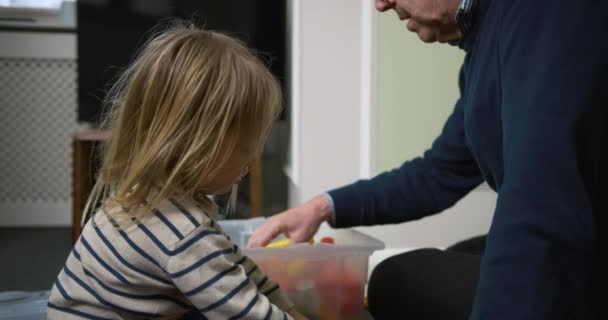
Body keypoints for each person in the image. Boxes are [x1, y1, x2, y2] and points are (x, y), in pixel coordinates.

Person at [248, 0, 607, 319]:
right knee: (459, 254)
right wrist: (321, 208)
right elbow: (438, 173)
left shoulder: (544, 13)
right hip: (582, 237)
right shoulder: (485, 49)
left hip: (587, 260)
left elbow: (539, 202)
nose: (382, 4)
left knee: (396, 277)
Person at [47, 21, 306, 320]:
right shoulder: (183, 234)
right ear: (197, 145)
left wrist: (289, 307)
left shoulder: (150, 196)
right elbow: (247, 313)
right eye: (244, 148)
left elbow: (235, 264)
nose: (251, 161)